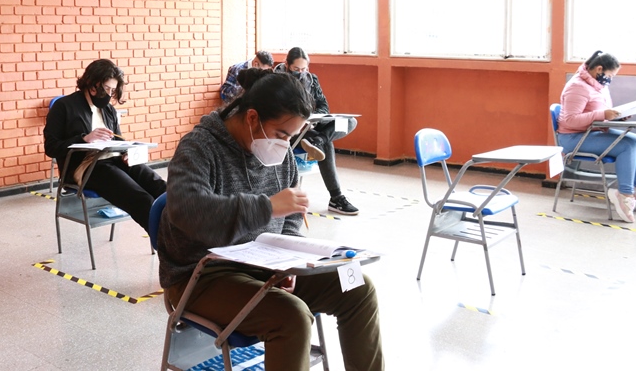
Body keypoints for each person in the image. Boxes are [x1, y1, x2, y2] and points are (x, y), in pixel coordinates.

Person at [158, 69, 384, 371]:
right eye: (281, 134)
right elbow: (188, 212)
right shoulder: (199, 148)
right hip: (201, 275)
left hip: (264, 268)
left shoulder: (281, 155)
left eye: (292, 136)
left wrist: (290, 261)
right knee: (291, 317)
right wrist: (266, 207)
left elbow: (291, 220)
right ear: (252, 118)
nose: (285, 144)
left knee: (358, 287)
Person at [44, 59, 167, 233]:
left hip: (115, 159)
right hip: (86, 166)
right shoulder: (64, 107)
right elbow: (51, 147)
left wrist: (126, 152)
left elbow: (117, 140)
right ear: (92, 85)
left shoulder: (108, 110)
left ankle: (187, 233)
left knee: (161, 188)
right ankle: (169, 246)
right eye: (106, 89)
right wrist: (84, 138)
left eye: (112, 90)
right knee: (141, 199)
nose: (109, 94)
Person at [557, 50, 636, 223]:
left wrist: (617, 115)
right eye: (610, 75)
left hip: (594, 132)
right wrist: (602, 114)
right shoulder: (577, 87)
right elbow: (570, 121)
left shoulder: (599, 86)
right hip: (573, 138)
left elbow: (600, 113)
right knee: (627, 146)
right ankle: (624, 194)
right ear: (599, 69)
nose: (610, 79)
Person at [274, 47, 360, 216]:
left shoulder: (312, 79)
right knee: (326, 145)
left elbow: (323, 105)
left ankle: (319, 140)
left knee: (350, 121)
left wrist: (313, 117)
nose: (300, 73)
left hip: (312, 126)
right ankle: (336, 197)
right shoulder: (277, 81)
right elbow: (277, 110)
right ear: (287, 65)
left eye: (304, 69)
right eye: (296, 69)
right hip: (291, 128)